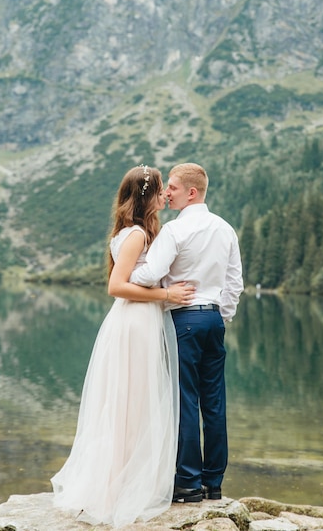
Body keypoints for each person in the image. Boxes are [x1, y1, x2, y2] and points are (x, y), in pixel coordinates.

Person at [51, 165, 195, 528]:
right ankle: (116, 491)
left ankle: (121, 485)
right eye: (161, 188)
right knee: (129, 405)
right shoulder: (135, 236)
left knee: (130, 403)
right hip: (134, 322)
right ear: (148, 195)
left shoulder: (138, 232)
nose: (165, 195)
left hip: (137, 320)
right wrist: (166, 293)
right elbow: (116, 285)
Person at [131, 162, 244, 503]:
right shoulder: (225, 229)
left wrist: (128, 269)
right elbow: (234, 283)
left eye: (174, 189)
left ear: (191, 192)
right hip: (212, 321)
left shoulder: (175, 231)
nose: (167, 193)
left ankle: (188, 484)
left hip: (183, 321)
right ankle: (214, 484)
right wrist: (221, 316)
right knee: (214, 402)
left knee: (185, 401)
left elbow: (150, 275)